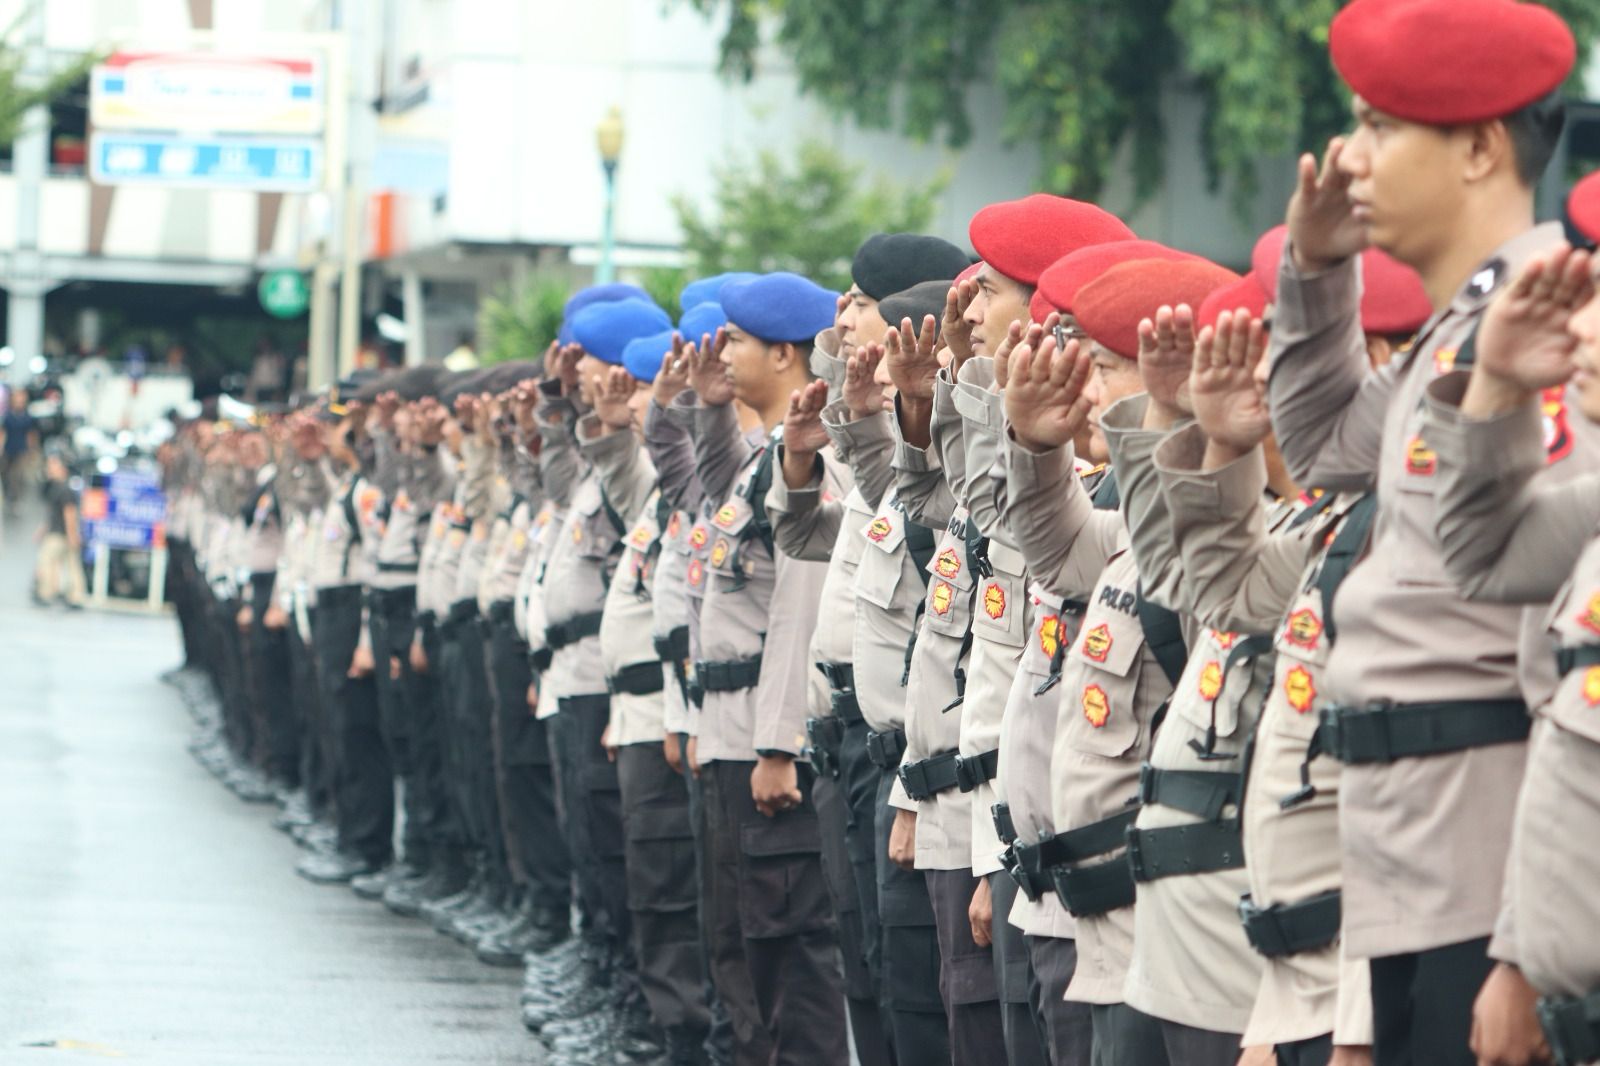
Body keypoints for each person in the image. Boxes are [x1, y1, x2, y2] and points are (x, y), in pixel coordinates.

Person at [1263, 0, 1588, 1061]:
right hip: (1406, 852)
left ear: (1481, 148)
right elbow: (1318, 449)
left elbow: (1563, 654)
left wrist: (1528, 944)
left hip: (1489, 860)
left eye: (1380, 125)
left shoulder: (1557, 327)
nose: (1349, 158)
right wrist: (1314, 276)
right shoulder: (1458, 333)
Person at [34, 452, 86, 608]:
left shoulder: (64, 489)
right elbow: (52, 513)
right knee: (71, 564)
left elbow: (69, 513)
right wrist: (42, 530)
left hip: (59, 533)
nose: (49, 469)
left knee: (47, 560)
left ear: (63, 469)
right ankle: (75, 596)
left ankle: (47, 592)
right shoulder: (55, 488)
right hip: (56, 531)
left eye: (53, 465)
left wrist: (72, 534)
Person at [2, 388, 39, 516]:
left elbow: (30, 434)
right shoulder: (8, 416)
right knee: (6, 475)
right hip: (8, 449)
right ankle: (8, 497)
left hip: (21, 450)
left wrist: (31, 450)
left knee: (17, 476)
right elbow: (3, 432)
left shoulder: (27, 417)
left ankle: (16, 500)